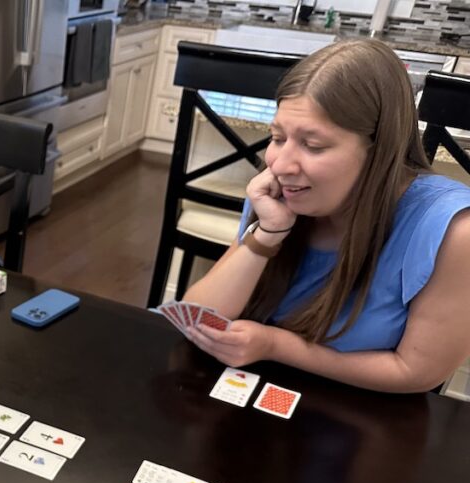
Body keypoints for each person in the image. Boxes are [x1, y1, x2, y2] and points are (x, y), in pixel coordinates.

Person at [182, 39, 470, 393]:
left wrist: (276, 346)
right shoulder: (278, 192)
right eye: (277, 137)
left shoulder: (453, 231)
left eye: (313, 145)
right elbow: (199, 317)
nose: (281, 164)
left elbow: (416, 372)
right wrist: (266, 237)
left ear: (379, 150)